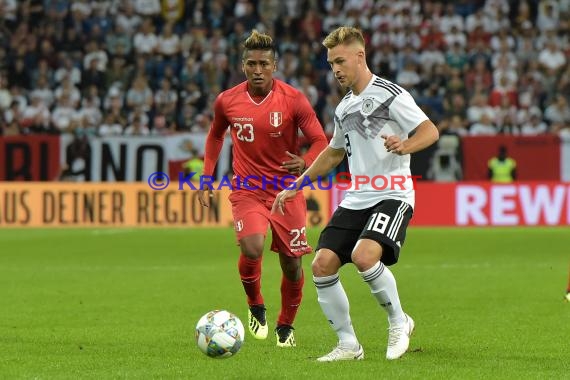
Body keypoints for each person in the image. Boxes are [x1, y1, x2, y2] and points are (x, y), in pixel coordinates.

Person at [272, 26, 439, 361]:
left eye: (340, 61)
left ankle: (399, 322)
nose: (335, 69)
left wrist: (405, 145)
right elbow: (334, 153)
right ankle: (349, 344)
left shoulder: (391, 94)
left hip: (392, 193)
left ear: (360, 56)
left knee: (365, 257)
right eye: (331, 63)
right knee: (322, 265)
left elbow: (429, 130)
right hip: (357, 197)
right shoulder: (345, 106)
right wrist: (298, 184)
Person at [198, 30, 328, 347]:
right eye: (252, 64)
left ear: (274, 66)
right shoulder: (227, 100)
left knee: (292, 263)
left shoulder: (293, 99)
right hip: (247, 188)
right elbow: (215, 136)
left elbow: (321, 141)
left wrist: (306, 161)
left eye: (264, 64)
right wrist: (206, 177)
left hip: (286, 191)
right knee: (252, 247)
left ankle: (286, 326)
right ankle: (255, 303)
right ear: (243, 65)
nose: (258, 70)